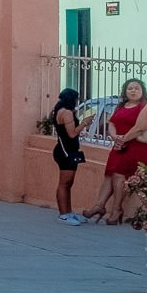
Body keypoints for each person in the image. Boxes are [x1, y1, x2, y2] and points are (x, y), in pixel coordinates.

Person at [96, 77, 147, 224]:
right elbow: (111, 123)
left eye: (136, 88)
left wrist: (122, 139)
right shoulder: (120, 106)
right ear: (125, 91)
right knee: (110, 174)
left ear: (143, 91)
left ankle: (116, 210)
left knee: (119, 175)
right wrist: (115, 137)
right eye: (130, 88)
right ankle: (99, 206)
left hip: (135, 146)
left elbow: (139, 128)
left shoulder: (144, 107)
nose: (133, 91)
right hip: (119, 146)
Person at [52, 87, 86, 223]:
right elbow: (72, 134)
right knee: (64, 183)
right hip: (65, 151)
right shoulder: (66, 113)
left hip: (68, 150)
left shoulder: (60, 111)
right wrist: (84, 123)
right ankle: (63, 214)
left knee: (68, 184)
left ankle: (69, 212)